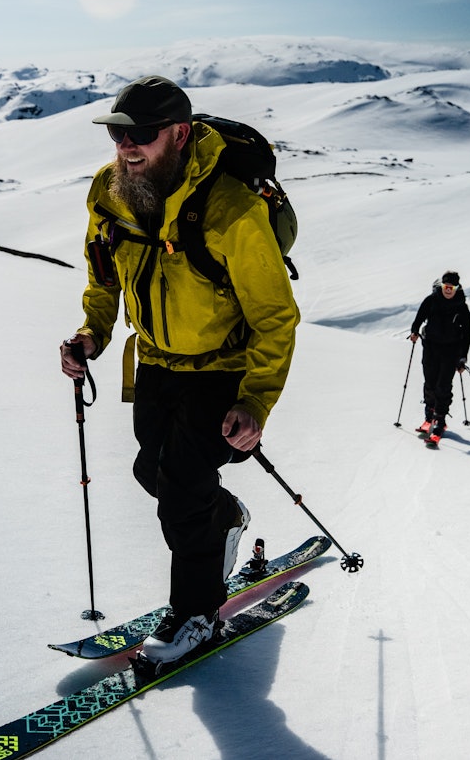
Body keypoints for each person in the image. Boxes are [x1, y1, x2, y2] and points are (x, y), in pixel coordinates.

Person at [59, 75, 300, 665]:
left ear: (180, 134)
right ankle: (225, 518)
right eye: (117, 134)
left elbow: (275, 316)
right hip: (154, 363)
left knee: (182, 492)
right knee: (153, 471)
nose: (126, 146)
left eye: (141, 134)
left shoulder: (231, 208)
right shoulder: (109, 192)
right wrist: (93, 332)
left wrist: (256, 401)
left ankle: (197, 614)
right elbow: (103, 274)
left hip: (222, 369)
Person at [409, 271, 470, 443]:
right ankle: (429, 418)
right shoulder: (431, 300)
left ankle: (439, 421)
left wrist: (463, 358)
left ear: (457, 288)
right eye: (446, 287)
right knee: (430, 383)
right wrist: (414, 331)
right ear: (441, 286)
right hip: (430, 347)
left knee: (443, 386)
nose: (448, 290)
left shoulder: (461, 307)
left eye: (452, 288)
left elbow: (466, 334)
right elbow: (418, 319)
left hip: (451, 351)